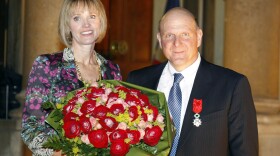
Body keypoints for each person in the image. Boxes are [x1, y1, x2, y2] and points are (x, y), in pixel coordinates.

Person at [126, 7, 258, 156]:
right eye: (169, 35)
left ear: (199, 36)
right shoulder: (137, 82)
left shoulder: (231, 85)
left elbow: (245, 151)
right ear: (159, 39)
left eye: (185, 34)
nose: (177, 43)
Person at [21, 0, 122, 155]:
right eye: (77, 18)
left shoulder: (112, 70)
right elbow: (30, 127)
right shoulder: (47, 65)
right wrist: (58, 153)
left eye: (92, 17)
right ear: (68, 25)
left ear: (101, 21)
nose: (86, 24)